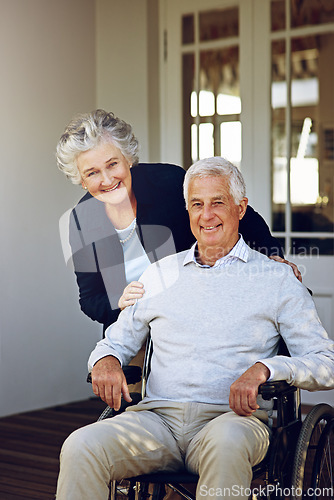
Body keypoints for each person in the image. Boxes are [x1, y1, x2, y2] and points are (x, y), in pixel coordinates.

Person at [56, 157, 334, 500]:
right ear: (186, 211)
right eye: (197, 205)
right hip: (156, 421)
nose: (207, 215)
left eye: (218, 202)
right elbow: (116, 341)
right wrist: (106, 360)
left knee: (227, 443)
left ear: (241, 208)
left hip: (233, 421)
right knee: (81, 445)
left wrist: (267, 368)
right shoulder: (159, 275)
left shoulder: (276, 279)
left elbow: (325, 362)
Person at [57, 109, 300, 334]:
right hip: (134, 330)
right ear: (82, 180)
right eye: (92, 172)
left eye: (113, 164)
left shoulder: (168, 182)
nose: (108, 179)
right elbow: (90, 300)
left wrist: (272, 257)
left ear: (127, 159)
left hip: (199, 315)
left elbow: (238, 216)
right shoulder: (82, 219)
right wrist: (119, 302)